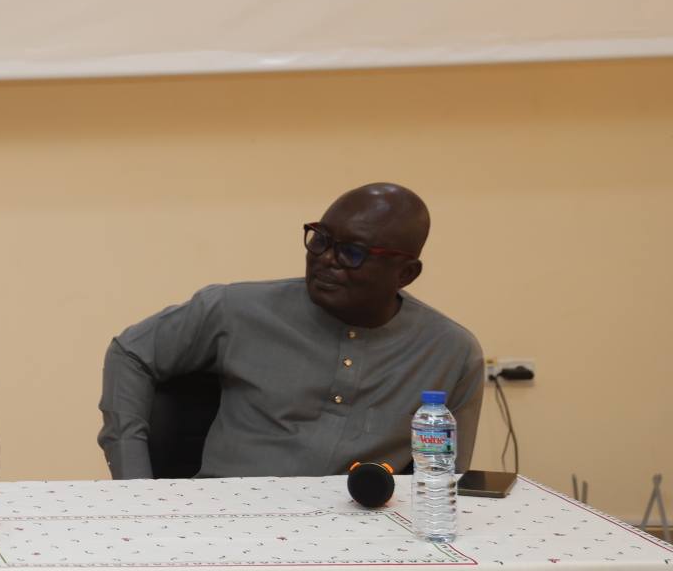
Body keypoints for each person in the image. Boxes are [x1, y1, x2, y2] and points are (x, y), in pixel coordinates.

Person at [98, 182, 484, 479]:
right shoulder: (234, 309)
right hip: (225, 524)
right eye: (321, 239)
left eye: (353, 253)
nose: (326, 260)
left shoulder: (451, 353)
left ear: (406, 274)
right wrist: (136, 485)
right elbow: (131, 352)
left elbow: (447, 482)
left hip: (361, 542)